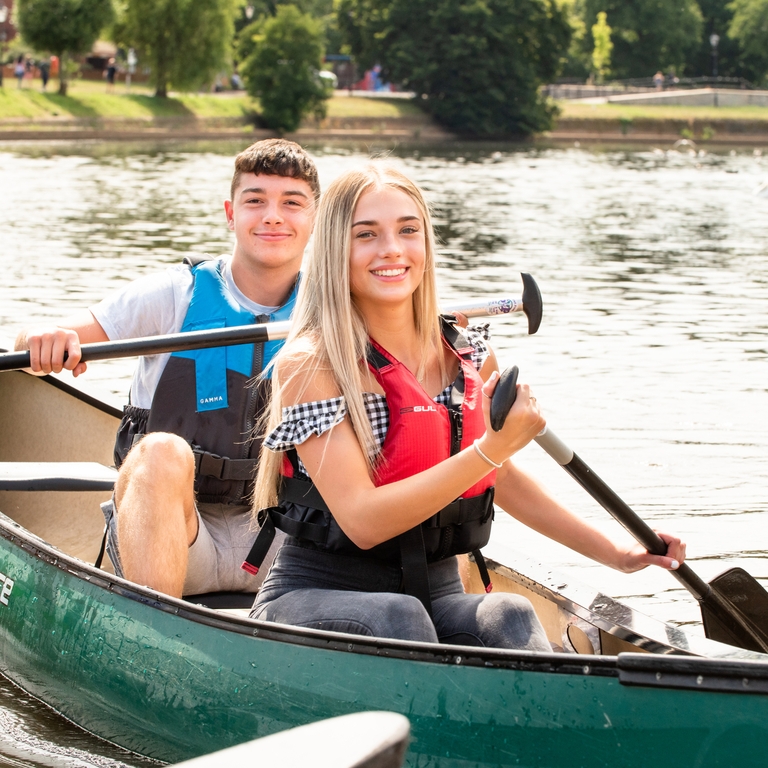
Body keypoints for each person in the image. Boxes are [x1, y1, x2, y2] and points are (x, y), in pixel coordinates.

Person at [248, 165, 686, 649]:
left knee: (511, 614)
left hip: (435, 593)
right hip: (316, 594)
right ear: (335, 251)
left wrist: (617, 552)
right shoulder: (311, 364)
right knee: (399, 618)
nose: (392, 248)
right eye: (366, 235)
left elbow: (502, 479)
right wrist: (490, 451)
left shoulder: (470, 353)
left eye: (408, 230)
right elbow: (364, 521)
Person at [15, 139, 319, 599]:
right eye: (255, 201)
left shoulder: (334, 308)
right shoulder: (173, 293)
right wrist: (42, 339)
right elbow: (36, 343)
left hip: (283, 544)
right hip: (176, 534)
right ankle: (158, 634)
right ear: (230, 213)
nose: (273, 216)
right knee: (160, 452)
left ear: (315, 218)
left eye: (291, 203)